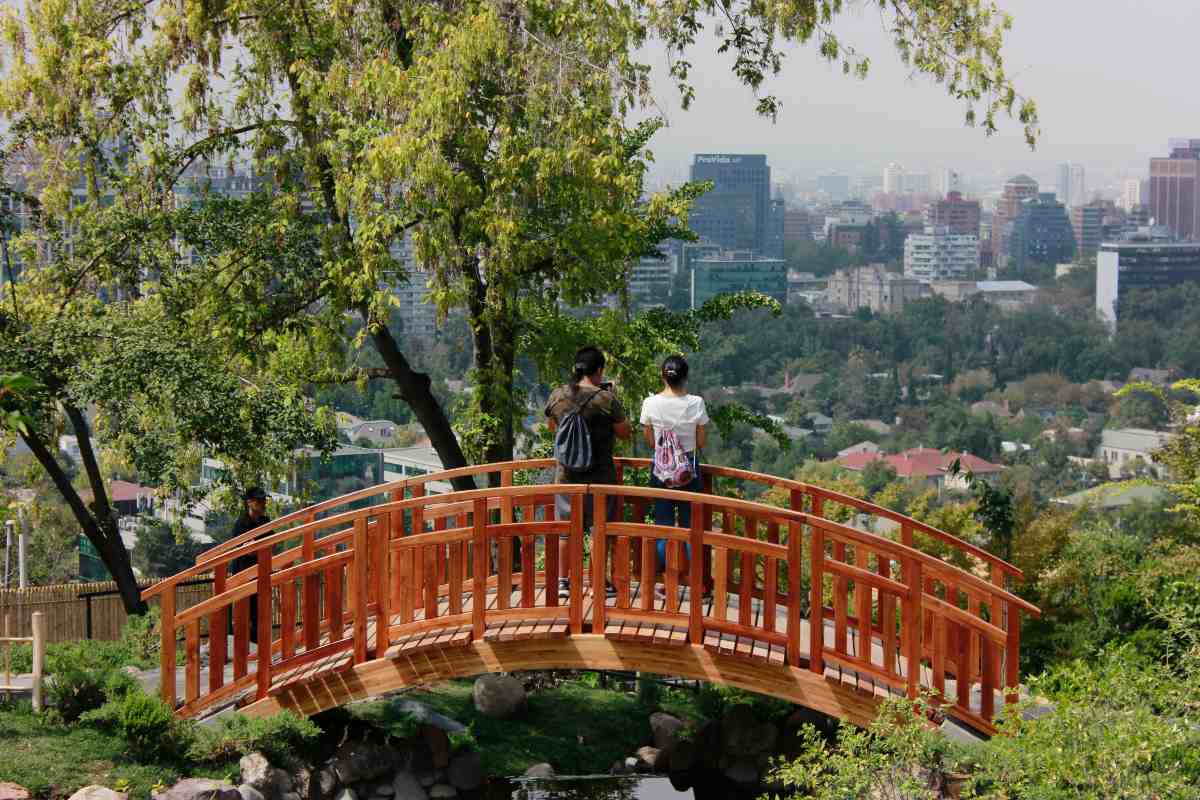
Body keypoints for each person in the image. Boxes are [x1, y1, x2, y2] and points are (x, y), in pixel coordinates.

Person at [545, 346, 631, 599]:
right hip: (600, 476)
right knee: (598, 529)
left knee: (566, 529)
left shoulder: (559, 395)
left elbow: (552, 427)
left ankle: (563, 582)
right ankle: (598, 583)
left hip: (566, 475)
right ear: (599, 370)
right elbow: (625, 432)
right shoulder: (606, 399)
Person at [640, 355, 708, 583]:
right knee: (690, 527)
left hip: (661, 469)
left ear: (663, 375)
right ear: (685, 376)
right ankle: (694, 580)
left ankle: (664, 580)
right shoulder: (696, 403)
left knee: (663, 525)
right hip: (689, 468)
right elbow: (700, 441)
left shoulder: (650, 403)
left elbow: (649, 440)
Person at [230, 486, 272, 643]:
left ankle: (260, 649)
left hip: (261, 574)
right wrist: (259, 547)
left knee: (261, 614)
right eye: (259, 501)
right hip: (243, 576)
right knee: (243, 615)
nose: (263, 504)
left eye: (264, 500)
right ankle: (243, 651)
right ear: (249, 502)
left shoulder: (265, 521)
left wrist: (256, 546)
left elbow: (272, 544)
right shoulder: (241, 524)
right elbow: (246, 551)